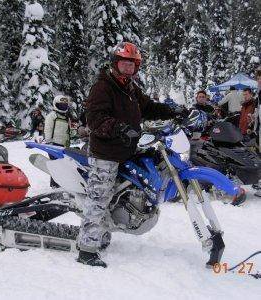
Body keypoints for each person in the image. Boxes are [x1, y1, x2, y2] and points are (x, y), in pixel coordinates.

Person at [76, 42, 192, 268]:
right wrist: (119, 128)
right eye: (124, 64)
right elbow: (95, 119)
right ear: (115, 64)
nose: (128, 69)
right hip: (106, 153)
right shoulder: (103, 87)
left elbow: (148, 107)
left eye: (132, 65)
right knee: (100, 198)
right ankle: (87, 249)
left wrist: (173, 110)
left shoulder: (129, 87)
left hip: (127, 149)